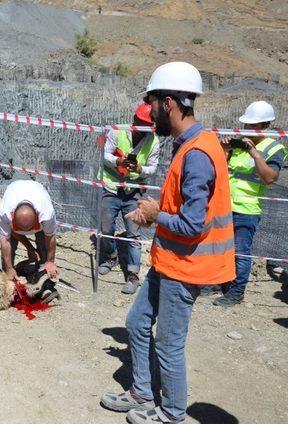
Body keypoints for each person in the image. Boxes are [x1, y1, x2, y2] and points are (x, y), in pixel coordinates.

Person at [101, 62, 235, 424]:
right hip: (168, 261)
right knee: (137, 323)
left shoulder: (196, 155)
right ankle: (142, 392)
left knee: (168, 344)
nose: (150, 112)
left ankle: (172, 413)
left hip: (186, 267)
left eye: (153, 103)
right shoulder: (190, 145)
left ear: (170, 103)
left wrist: (154, 214)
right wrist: (156, 214)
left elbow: (192, 224)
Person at [213, 101, 286, 307]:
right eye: (246, 125)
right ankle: (220, 283)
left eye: (253, 126)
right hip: (225, 205)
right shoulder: (239, 143)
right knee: (222, 248)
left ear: (266, 125)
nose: (247, 129)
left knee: (240, 251)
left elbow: (269, 177)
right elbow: (223, 169)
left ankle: (237, 293)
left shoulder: (274, 148)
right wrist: (226, 149)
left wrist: (254, 153)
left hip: (246, 209)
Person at [98, 103, 160, 294]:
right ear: (134, 121)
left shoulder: (153, 141)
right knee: (106, 227)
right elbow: (105, 154)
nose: (142, 130)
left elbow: (153, 167)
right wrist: (118, 161)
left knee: (133, 233)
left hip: (133, 190)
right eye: (140, 124)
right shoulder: (117, 131)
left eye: (146, 126)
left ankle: (132, 274)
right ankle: (111, 256)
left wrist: (140, 169)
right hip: (112, 186)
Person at [0, 180, 59, 281]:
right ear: (13, 218)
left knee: (43, 246)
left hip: (37, 191)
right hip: (14, 190)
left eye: (29, 229)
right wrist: (9, 268)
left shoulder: (46, 213)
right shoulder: (4, 213)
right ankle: (9, 275)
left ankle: (42, 273)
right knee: (10, 247)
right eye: (21, 229)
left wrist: (50, 261)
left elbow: (50, 236)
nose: (26, 232)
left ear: (38, 218)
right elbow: (5, 241)